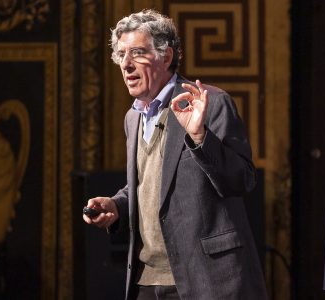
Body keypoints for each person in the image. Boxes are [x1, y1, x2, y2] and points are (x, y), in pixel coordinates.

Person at [83, 9, 268, 300]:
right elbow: (150, 183)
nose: (126, 65)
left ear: (166, 57)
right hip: (146, 280)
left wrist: (199, 137)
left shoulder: (209, 103)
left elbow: (242, 181)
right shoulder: (133, 118)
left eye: (137, 53)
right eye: (121, 55)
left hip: (206, 279)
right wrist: (118, 204)